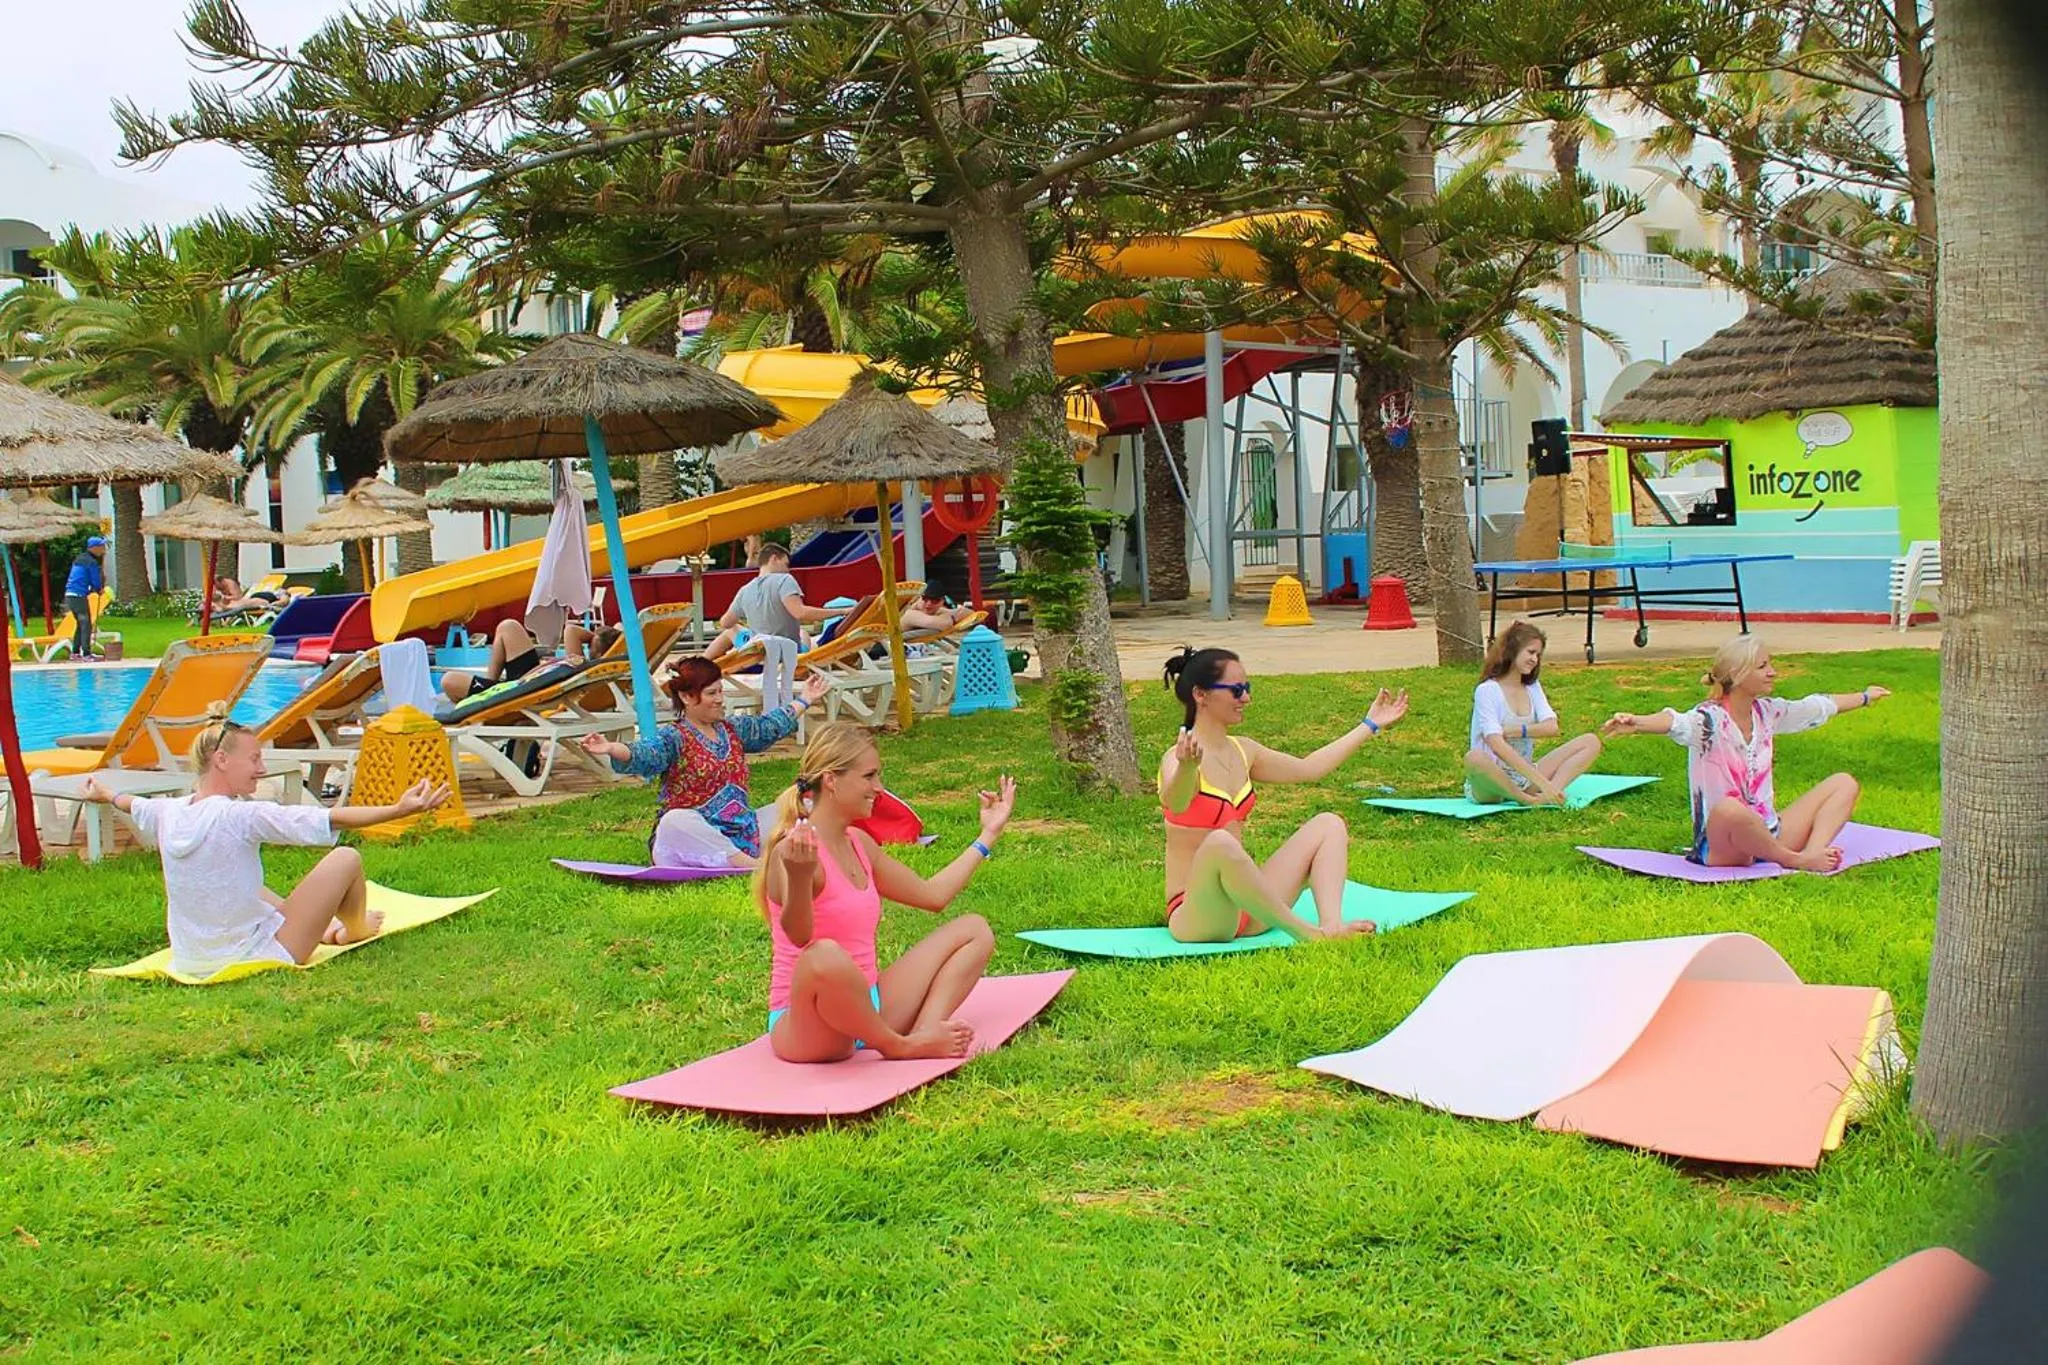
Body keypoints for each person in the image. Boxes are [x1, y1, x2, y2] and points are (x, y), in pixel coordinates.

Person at [80, 705, 449, 980]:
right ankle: (355, 928)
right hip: (249, 955)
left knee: (248, 887)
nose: (260, 768)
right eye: (254, 759)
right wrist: (399, 809)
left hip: (193, 958)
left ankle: (325, 930)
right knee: (346, 859)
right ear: (222, 760)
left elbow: (132, 804)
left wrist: (105, 793)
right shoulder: (240, 816)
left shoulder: (169, 811)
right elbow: (330, 818)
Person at [759, 721, 1009, 1061]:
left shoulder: (859, 844)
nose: (879, 788)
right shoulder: (794, 851)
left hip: (870, 1008)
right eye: (869, 776)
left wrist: (987, 836)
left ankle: (925, 1034)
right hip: (809, 1027)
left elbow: (933, 896)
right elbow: (799, 937)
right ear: (831, 780)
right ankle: (901, 1046)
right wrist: (800, 878)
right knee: (824, 954)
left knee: (974, 930)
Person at [1159, 646, 1408, 943]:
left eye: (1247, 688)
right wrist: (1188, 767)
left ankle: (1332, 926)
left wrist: (1369, 725)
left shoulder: (1244, 750)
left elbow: (1309, 769)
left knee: (1329, 824)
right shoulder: (1176, 758)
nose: (1246, 698)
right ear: (1201, 695)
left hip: (1248, 909)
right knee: (1221, 842)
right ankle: (1310, 935)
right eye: (1237, 690)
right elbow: (1176, 800)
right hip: (1199, 916)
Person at [1601, 634, 1888, 872]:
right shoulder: (1709, 720)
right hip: (1726, 845)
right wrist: (1637, 722)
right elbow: (1675, 722)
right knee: (1729, 808)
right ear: (1738, 675)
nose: (1772, 672)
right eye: (1762, 666)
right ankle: (1796, 860)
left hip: (1772, 835)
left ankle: (1813, 853)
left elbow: (1817, 707)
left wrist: (1864, 697)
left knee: (1843, 783)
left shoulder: (1767, 712)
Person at [581, 657, 829, 868]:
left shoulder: (733, 729)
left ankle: (751, 855)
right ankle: (749, 866)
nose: (720, 699)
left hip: (743, 833)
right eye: (712, 693)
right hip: (689, 837)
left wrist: (805, 699)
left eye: (721, 691)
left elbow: (768, 727)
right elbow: (645, 753)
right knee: (674, 820)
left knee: (809, 802)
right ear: (687, 697)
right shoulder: (674, 737)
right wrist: (612, 748)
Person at [1463, 620, 1604, 806]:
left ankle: (1551, 793)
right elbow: (1495, 743)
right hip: (1491, 785)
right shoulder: (1487, 690)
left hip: (1525, 777)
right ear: (1512, 651)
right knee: (1474, 758)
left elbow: (1552, 727)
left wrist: (1514, 731)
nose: (1534, 659)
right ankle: (1527, 800)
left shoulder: (1532, 687)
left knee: (1590, 741)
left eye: (1538, 655)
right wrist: (1542, 782)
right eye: (1530, 652)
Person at [704, 543, 838, 710]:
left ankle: (701, 663)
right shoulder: (785, 580)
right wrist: (840, 611)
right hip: (787, 656)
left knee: (732, 630)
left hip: (755, 657)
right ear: (774, 558)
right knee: (803, 633)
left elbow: (725, 623)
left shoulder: (745, 590)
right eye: (786, 564)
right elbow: (800, 613)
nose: (788, 570)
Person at [440, 615, 621, 703]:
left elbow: (571, 630)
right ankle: (490, 682)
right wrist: (598, 641)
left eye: (589, 645)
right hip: (527, 681)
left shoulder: (581, 663)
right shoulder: (585, 664)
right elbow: (571, 631)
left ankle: (489, 693)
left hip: (521, 691)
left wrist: (595, 638)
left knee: (449, 680)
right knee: (508, 626)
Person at [63, 535, 107, 660]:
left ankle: (75, 652)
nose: (104, 549)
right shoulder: (90, 562)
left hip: (71, 595)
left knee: (81, 623)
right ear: (94, 548)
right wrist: (99, 589)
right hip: (78, 595)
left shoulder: (80, 559)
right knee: (86, 623)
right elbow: (95, 580)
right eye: (102, 547)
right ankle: (86, 654)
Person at [901, 588, 973, 634]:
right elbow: (946, 624)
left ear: (941, 602)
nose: (929, 604)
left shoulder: (935, 611)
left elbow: (970, 613)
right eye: (925, 599)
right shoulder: (910, 615)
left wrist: (948, 612)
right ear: (918, 599)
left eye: (935, 600)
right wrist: (952, 616)